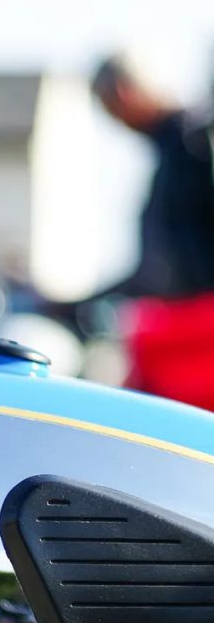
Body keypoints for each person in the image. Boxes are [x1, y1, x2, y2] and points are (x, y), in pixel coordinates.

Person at [71, 55, 214, 406]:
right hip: (175, 329)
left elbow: (163, 267)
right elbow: (155, 268)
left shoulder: (196, 142)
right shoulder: (177, 148)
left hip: (196, 334)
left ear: (123, 93)